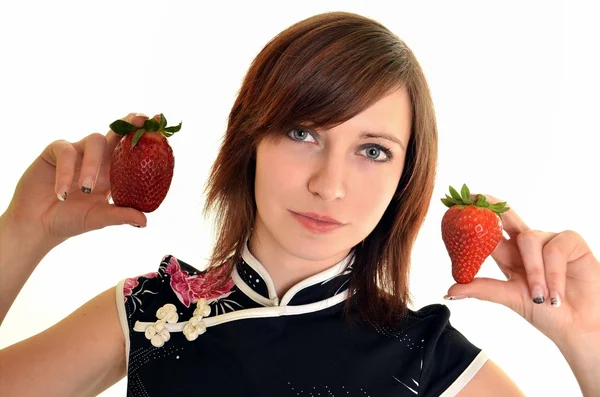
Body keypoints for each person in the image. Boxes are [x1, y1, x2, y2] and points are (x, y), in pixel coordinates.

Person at [0, 11, 598, 397]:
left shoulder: (434, 362)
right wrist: (22, 231)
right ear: (249, 140)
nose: (329, 185)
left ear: (405, 179)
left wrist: (589, 341)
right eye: (303, 133)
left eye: (373, 150)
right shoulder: (152, 315)